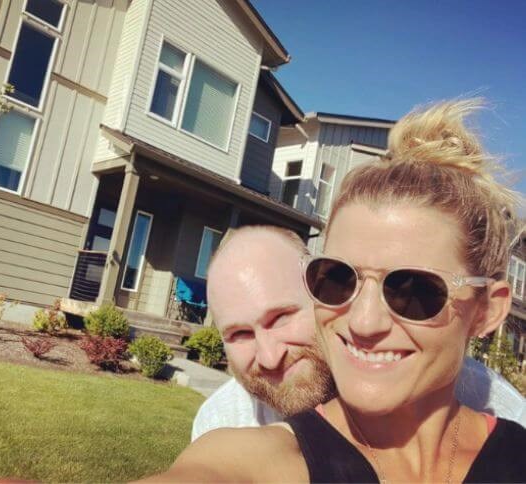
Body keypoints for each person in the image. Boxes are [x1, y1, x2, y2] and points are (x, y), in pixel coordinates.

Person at [145, 99, 526, 482]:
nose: (363, 321)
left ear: (486, 311)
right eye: (339, 279)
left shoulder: (510, 429)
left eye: (414, 290)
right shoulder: (251, 453)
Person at [192, 226, 526, 441]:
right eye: (238, 335)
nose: (269, 357)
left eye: (281, 317)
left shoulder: (497, 412)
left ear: (329, 296)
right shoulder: (222, 420)